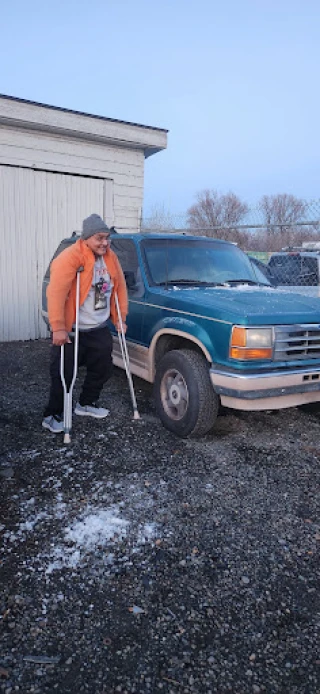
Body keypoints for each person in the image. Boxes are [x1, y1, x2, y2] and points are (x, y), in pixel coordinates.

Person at [42, 213, 128, 433]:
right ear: (87, 237)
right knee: (64, 374)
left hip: (97, 327)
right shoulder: (70, 257)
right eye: (100, 238)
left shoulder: (111, 258)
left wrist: (119, 319)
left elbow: (118, 289)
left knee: (103, 369)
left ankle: (86, 403)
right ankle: (53, 414)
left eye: (107, 238)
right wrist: (58, 327)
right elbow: (56, 293)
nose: (105, 243)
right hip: (72, 330)